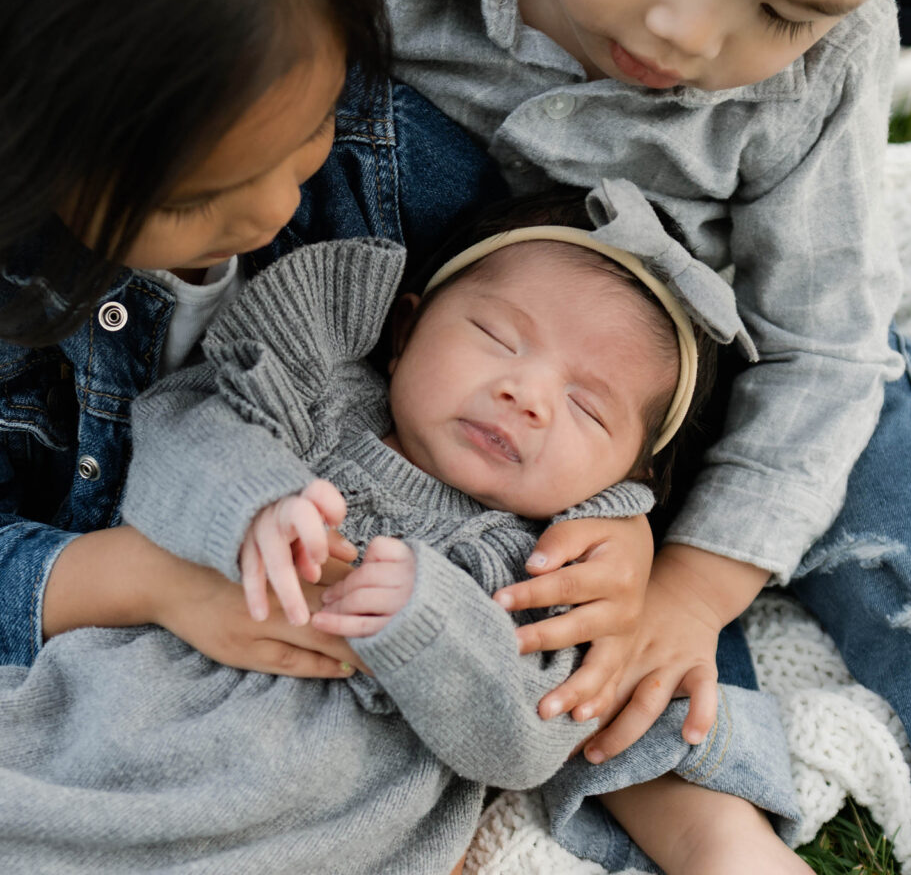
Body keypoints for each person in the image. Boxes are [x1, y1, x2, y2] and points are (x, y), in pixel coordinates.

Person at [331, 0, 911, 872]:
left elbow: (819, 348)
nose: (687, 32)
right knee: (558, 607)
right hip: (460, 354)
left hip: (715, 359)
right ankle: (698, 822)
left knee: (895, 531)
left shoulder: (831, 60)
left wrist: (692, 585)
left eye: (784, 12)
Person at [0, 183, 778, 874]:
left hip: (301, 831)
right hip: (118, 708)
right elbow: (176, 430)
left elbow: (528, 742)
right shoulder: (309, 404)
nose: (526, 393)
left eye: (587, 407)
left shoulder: (548, 567)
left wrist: (435, 623)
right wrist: (256, 501)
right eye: (498, 338)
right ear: (406, 326)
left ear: (631, 477)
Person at [0, 0, 505, 686]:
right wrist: (149, 583)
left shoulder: (376, 153)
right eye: (197, 198)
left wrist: (611, 506)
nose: (273, 210)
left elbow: (568, 308)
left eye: (309, 130)